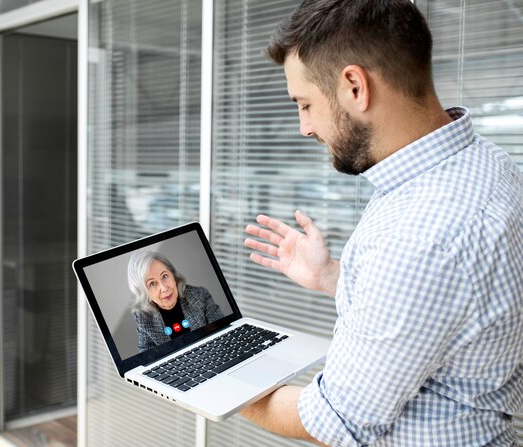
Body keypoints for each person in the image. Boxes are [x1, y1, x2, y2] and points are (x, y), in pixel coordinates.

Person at [241, 0, 523, 445]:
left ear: (355, 86)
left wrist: (223, 385)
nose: (304, 126)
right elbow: (445, 307)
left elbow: (336, 420)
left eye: (305, 103)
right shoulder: (489, 164)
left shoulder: (418, 233)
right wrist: (332, 276)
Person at [128, 251, 224, 352]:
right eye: (152, 283)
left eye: (164, 276)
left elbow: (222, 333)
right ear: (144, 293)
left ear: (173, 276)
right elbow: (147, 357)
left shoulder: (199, 296)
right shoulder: (143, 317)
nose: (164, 288)